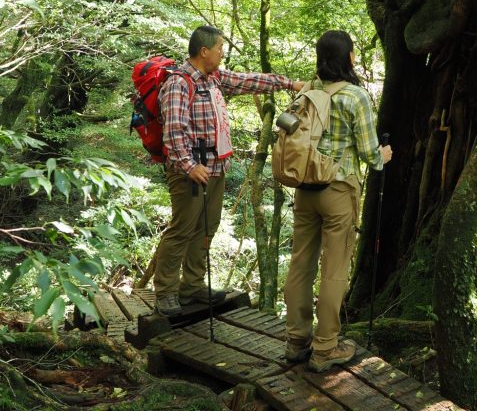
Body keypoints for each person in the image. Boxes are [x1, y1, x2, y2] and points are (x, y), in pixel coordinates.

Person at [153, 25, 304, 317]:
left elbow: (250, 81)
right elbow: (173, 131)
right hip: (190, 171)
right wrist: (189, 165)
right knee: (182, 229)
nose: (223, 53)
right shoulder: (179, 83)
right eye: (220, 48)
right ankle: (166, 293)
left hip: (215, 168)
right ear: (204, 51)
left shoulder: (215, 78)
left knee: (207, 226)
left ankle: (192, 286)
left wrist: (288, 84)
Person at [283, 30, 392, 372]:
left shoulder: (308, 92)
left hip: (304, 190)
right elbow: (370, 154)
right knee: (334, 268)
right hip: (338, 190)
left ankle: (296, 340)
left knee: (301, 262)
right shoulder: (354, 96)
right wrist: (384, 155)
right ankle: (326, 346)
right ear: (348, 57)